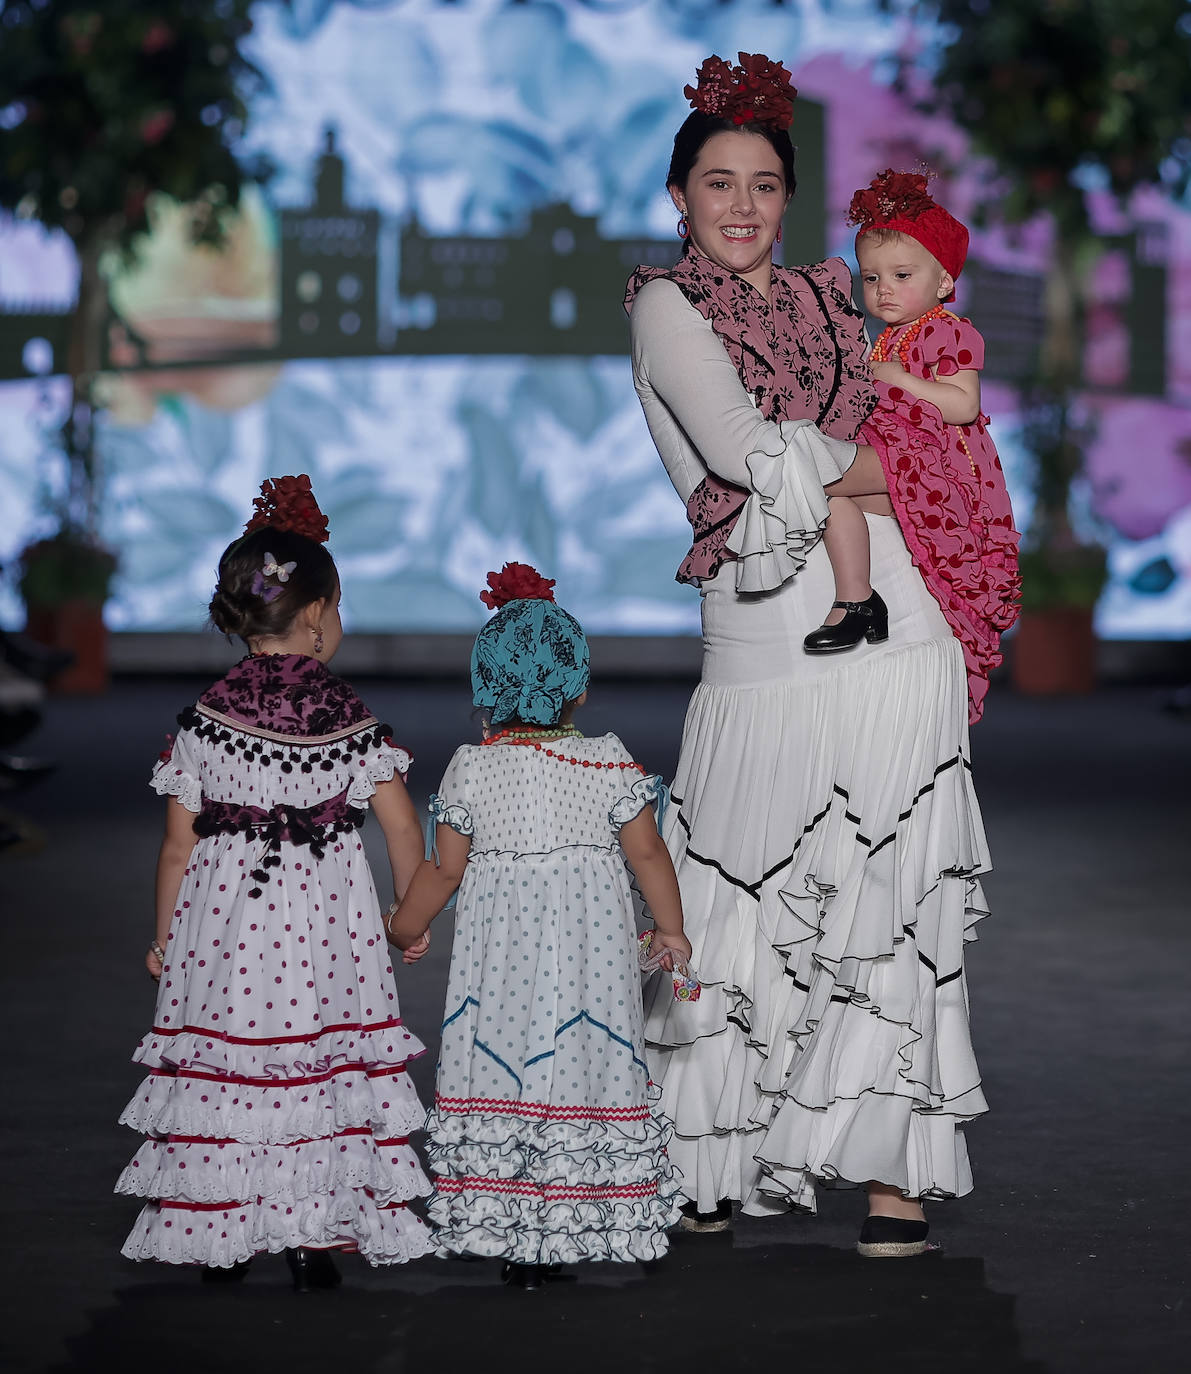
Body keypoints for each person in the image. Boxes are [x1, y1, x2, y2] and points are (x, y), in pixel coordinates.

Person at [624, 53, 996, 1258]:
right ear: (680, 196)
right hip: (763, 631)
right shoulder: (664, 304)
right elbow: (743, 455)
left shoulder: (848, 293)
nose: (743, 206)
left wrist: (923, 475)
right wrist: (930, 476)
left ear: (790, 199)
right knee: (734, 891)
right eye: (719, 183)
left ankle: (895, 1176)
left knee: (892, 900)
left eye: (766, 185)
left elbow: (930, 415)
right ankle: (711, 1157)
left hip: (902, 626)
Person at [115, 474, 434, 1288]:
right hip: (324, 923)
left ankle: (219, 1228)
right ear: (320, 612)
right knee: (313, 1064)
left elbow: (177, 847)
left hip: (225, 921)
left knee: (235, 1066)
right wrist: (406, 915)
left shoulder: (203, 715)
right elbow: (400, 825)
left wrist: (165, 935)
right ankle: (310, 1235)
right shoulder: (344, 713)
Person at [387, 562, 690, 1289]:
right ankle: (574, 1219)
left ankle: (514, 1227)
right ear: (579, 688)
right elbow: (647, 853)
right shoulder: (608, 762)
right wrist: (671, 930)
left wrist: (405, 924)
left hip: (503, 974)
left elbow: (444, 871)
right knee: (582, 1068)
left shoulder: (470, 769)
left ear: (483, 691)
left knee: (505, 1068)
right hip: (588, 965)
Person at [806, 169, 1020, 724]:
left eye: (902, 274)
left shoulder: (949, 330)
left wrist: (896, 378)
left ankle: (877, 602)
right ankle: (857, 599)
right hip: (904, 456)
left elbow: (962, 406)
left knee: (821, 481)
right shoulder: (888, 336)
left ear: (944, 281)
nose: (883, 289)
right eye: (872, 277)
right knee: (831, 498)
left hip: (944, 468)